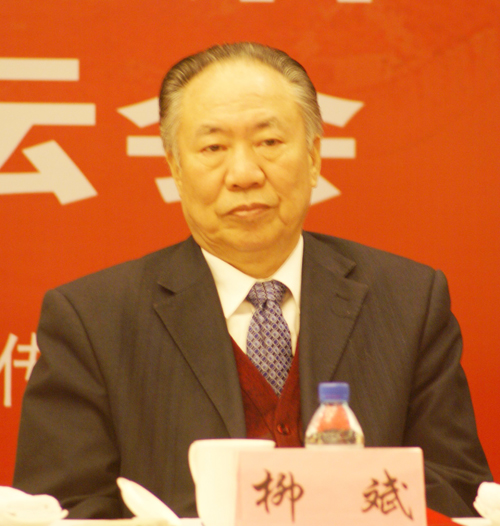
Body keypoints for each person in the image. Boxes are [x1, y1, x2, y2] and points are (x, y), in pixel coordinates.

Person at [14, 42, 492, 519]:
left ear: (314, 157)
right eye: (213, 148)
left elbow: (455, 491)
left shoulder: (409, 300)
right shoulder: (90, 320)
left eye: (269, 142)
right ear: (175, 168)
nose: (243, 174)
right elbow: (61, 509)